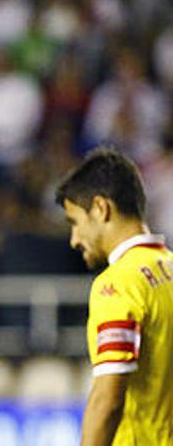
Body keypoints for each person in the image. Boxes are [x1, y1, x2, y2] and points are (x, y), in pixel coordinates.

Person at [55, 147, 173, 445]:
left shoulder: (118, 284)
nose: (74, 240)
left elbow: (108, 400)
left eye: (75, 222)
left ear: (100, 208)